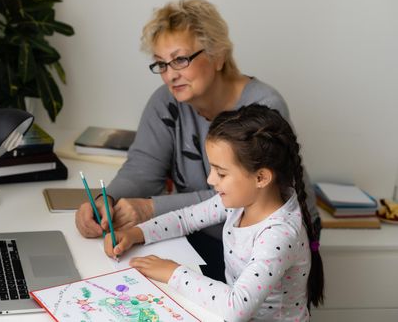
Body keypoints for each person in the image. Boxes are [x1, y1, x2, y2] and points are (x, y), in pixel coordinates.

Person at [75, 0, 320, 281]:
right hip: (198, 232)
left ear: (217, 55)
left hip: (259, 241)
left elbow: (240, 196)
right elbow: (142, 167)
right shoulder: (165, 102)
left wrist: (149, 208)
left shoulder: (264, 107)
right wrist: (107, 200)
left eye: (180, 60)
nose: (170, 75)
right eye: (161, 64)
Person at [104, 104, 325, 321]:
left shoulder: (279, 235)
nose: (211, 180)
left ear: (261, 178)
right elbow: (185, 218)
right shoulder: (242, 200)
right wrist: (137, 233)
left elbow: (235, 308)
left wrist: (172, 272)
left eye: (221, 173)